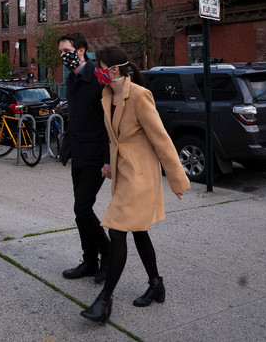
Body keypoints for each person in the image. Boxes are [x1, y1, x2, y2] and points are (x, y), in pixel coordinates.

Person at [80, 46, 190, 323]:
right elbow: (112, 137)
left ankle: (104, 301)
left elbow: (161, 138)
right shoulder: (107, 95)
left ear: (114, 69)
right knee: (138, 231)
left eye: (101, 68)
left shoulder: (140, 96)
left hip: (141, 177)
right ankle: (156, 284)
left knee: (117, 232)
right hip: (122, 174)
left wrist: (177, 179)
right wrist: (107, 162)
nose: (98, 73)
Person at [57, 33, 111, 284]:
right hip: (78, 152)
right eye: (60, 52)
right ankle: (90, 262)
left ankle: (109, 256)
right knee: (80, 212)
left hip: (96, 155)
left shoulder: (100, 78)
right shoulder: (71, 78)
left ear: (81, 50)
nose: (62, 56)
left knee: (83, 208)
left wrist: (108, 159)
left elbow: (112, 123)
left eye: (65, 50)